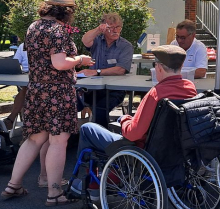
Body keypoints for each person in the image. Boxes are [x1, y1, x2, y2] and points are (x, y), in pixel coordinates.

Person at [1, 0, 93, 205]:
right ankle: (54, 193)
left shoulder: (34, 26)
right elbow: (59, 63)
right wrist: (80, 59)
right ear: (66, 11)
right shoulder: (58, 30)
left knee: (33, 138)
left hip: (36, 90)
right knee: (58, 141)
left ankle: (13, 185)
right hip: (57, 92)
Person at [73, 45, 197, 196]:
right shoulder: (190, 88)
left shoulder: (156, 94)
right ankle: (108, 178)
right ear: (182, 66)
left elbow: (133, 134)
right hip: (175, 146)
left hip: (143, 149)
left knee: (88, 129)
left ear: (158, 67)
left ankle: (90, 184)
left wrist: (124, 119)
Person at [81, 12, 133, 127]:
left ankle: (101, 139)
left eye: (118, 27)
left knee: (100, 108)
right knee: (70, 101)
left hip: (114, 90)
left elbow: (121, 70)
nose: (115, 30)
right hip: (93, 88)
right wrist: (97, 30)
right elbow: (85, 40)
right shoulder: (97, 40)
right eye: (111, 27)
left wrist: (96, 72)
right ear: (104, 29)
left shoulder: (126, 46)